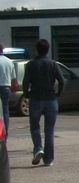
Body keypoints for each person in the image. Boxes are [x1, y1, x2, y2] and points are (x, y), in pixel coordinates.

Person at [21, 39, 64, 167]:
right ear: (48, 49)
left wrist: (26, 93)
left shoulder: (30, 64)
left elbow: (25, 82)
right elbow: (61, 81)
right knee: (49, 130)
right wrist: (58, 94)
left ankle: (38, 149)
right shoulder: (53, 64)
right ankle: (48, 159)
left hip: (36, 98)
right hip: (51, 99)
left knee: (35, 127)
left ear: (36, 49)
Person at [0, 44, 14, 134]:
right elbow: (14, 79)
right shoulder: (9, 61)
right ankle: (5, 132)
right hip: (6, 87)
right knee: (5, 110)